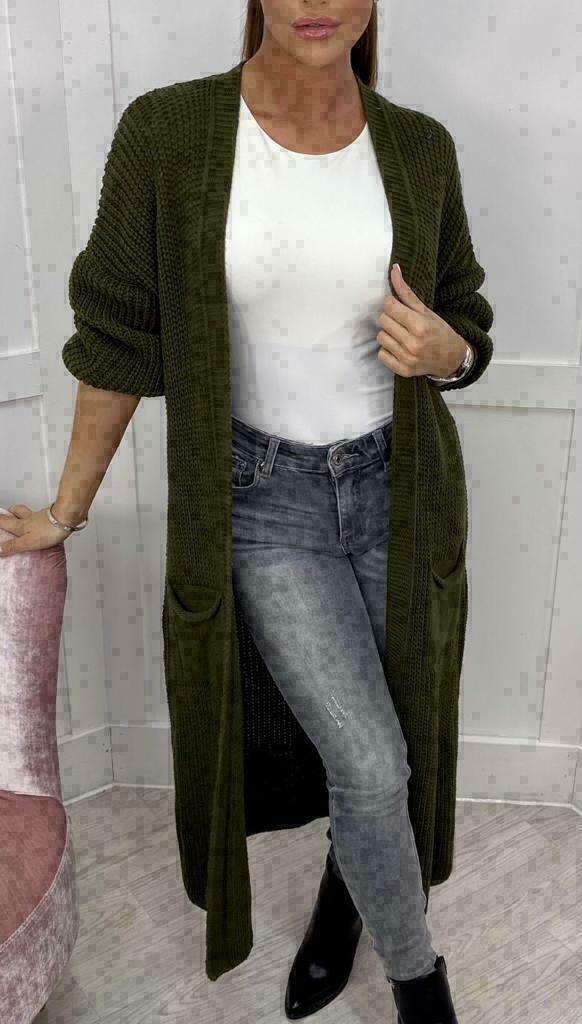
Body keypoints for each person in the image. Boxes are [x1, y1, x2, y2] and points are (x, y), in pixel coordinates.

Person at [0, 3, 494, 1020]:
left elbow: (464, 315)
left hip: (403, 493)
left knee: (399, 735)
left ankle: (345, 898)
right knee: (370, 759)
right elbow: (119, 337)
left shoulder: (418, 147)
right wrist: (65, 508)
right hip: (265, 503)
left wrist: (454, 353)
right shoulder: (170, 132)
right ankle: (420, 982)